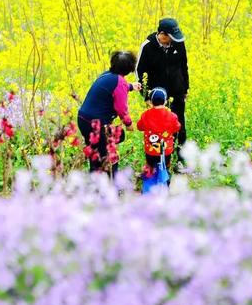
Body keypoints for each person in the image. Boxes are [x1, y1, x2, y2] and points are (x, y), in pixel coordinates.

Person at [77, 51, 142, 176]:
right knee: (110, 155)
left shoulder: (106, 75)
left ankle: (95, 186)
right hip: (97, 123)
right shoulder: (120, 82)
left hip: (83, 119)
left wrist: (131, 87)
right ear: (129, 69)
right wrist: (128, 123)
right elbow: (121, 108)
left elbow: (114, 87)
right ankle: (110, 186)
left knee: (95, 154)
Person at [136, 17, 189, 163]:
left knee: (179, 127)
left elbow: (184, 66)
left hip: (177, 92)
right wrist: (146, 96)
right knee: (156, 130)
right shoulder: (147, 46)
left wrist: (185, 88)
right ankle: (156, 161)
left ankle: (179, 160)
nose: (172, 41)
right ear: (162, 34)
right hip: (158, 97)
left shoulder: (178, 43)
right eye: (169, 38)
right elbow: (139, 71)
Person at [137, 87, 181, 191]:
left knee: (151, 167)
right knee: (165, 167)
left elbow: (139, 127)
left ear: (151, 102)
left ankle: (149, 187)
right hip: (166, 151)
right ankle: (165, 185)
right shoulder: (172, 116)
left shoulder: (145, 115)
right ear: (166, 101)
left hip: (151, 151)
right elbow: (177, 127)